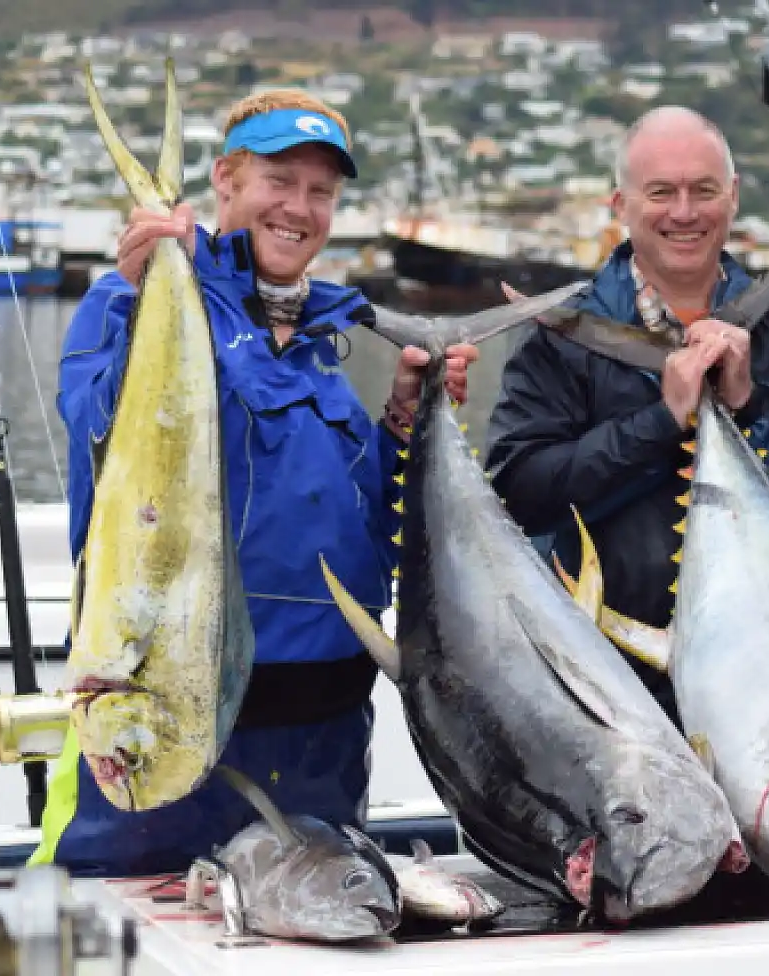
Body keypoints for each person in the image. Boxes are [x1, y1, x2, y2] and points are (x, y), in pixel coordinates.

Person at [31, 89, 479, 876]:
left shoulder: (323, 343)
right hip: (170, 716)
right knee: (131, 925)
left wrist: (403, 423)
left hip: (325, 735)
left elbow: (359, 527)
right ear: (225, 180)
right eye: (278, 180)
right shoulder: (125, 301)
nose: (299, 207)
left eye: (320, 191)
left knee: (314, 924)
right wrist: (143, 296)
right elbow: (100, 435)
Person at [485, 106, 769, 725]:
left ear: (733, 196)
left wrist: (751, 407)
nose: (685, 212)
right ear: (621, 204)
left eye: (704, 190)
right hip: (607, 693)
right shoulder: (557, 344)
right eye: (661, 192)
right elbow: (519, 498)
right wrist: (660, 422)